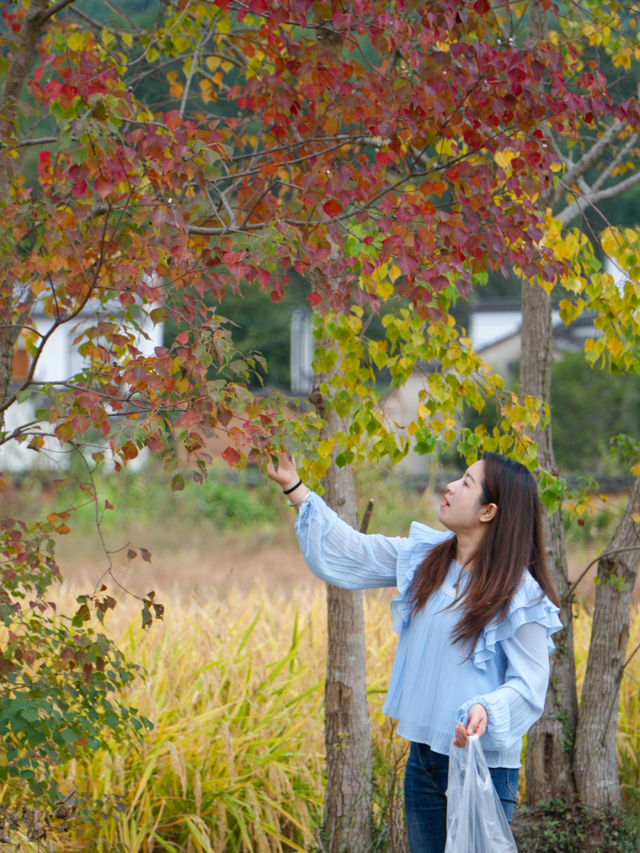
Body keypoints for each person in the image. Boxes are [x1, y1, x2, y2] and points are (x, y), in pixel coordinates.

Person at [266, 450, 563, 853]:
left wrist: (487, 710)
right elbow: (355, 550)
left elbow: (529, 686)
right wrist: (295, 487)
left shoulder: (520, 596)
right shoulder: (428, 557)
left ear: (489, 511)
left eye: (466, 483)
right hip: (424, 760)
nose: (451, 486)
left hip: (481, 768)